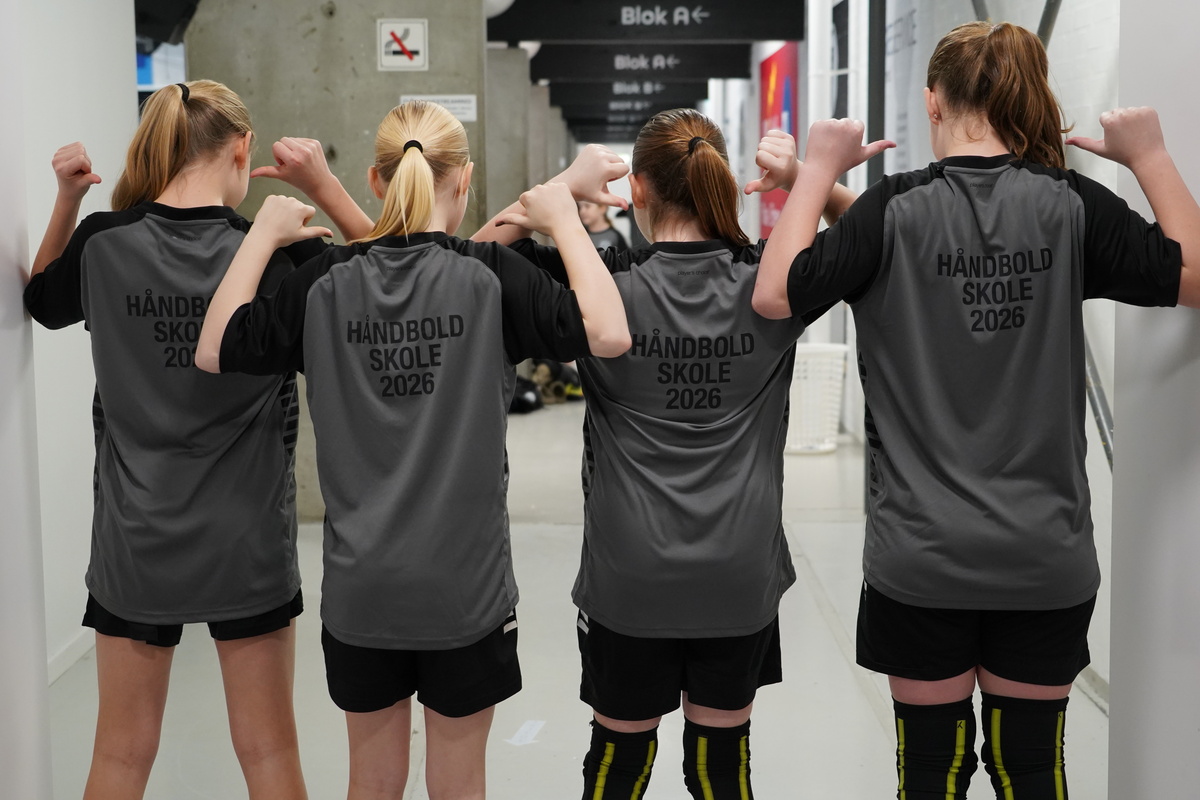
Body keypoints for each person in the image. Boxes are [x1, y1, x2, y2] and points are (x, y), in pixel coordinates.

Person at [752, 21, 1200, 799]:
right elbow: (1192, 272)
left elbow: (775, 292)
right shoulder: (1069, 208)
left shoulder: (892, 212)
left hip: (920, 559)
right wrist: (1150, 157)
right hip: (1043, 555)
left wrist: (816, 171)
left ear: (933, 101)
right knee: (1034, 771)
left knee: (931, 774)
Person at [196, 99, 631, 800]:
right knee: (458, 785)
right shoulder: (490, 275)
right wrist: (561, 218)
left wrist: (263, 235)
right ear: (464, 180)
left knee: (372, 784)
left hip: (362, 593)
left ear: (376, 180)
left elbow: (215, 348)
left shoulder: (323, 282)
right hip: (465, 594)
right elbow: (608, 333)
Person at [477, 109, 855, 800]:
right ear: (721, 183)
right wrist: (809, 179)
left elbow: (465, 259)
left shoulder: (601, 283)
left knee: (618, 765)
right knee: (721, 770)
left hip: (630, 576)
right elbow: (883, 241)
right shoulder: (773, 282)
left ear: (638, 190)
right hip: (739, 572)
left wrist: (563, 187)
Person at [22, 79, 366, 800]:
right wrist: (324, 188)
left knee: (119, 755)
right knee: (270, 751)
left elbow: (43, 301)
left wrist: (68, 199)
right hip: (248, 538)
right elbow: (393, 277)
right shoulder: (274, 252)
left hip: (135, 536)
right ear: (243, 148)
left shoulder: (103, 242)